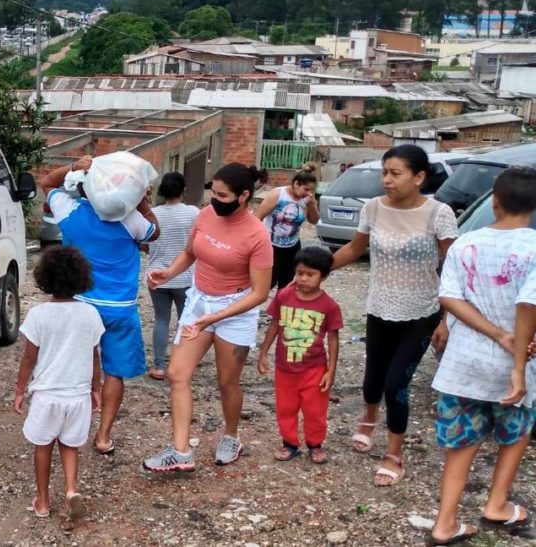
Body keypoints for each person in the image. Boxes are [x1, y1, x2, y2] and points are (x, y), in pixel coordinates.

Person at [331, 145, 459, 487]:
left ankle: (393, 453)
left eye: (395, 173)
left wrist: (447, 320)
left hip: (422, 311)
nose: (387, 180)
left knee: (395, 384)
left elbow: (453, 268)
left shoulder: (439, 213)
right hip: (379, 306)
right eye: (384, 172)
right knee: (372, 379)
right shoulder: (373, 208)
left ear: (419, 177)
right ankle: (369, 418)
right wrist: (315, 270)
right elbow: (355, 249)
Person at [426, 167, 536, 545]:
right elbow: (528, 304)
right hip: (513, 368)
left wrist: (495, 333)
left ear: (494, 201)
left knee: (461, 442)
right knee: (516, 432)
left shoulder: (466, 243)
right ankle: (497, 505)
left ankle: (445, 523)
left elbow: (449, 297)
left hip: (464, 364)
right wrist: (518, 358)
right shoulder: (535, 247)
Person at [143, 163, 273, 472]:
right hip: (200, 301)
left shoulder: (257, 236)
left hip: (236, 310)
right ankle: (180, 451)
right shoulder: (204, 215)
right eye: (212, 193)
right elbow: (190, 252)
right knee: (176, 373)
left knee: (227, 383)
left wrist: (218, 316)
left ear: (243, 196)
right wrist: (168, 272)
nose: (214, 200)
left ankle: (231, 436)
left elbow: (259, 293)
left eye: (222, 195)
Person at [40, 154, 160, 456]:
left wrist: (73, 167)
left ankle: (67, 432)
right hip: (120, 309)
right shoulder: (130, 219)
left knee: (76, 370)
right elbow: (154, 232)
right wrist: (140, 201)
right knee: (114, 373)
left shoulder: (69, 212)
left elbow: (47, 183)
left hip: (79, 306)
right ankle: (103, 436)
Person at [13, 246, 104, 521]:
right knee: (70, 445)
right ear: (81, 278)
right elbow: (95, 356)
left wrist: (19, 390)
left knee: (43, 446)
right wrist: (95, 389)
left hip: (47, 395)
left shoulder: (39, 315)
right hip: (77, 395)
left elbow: (29, 358)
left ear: (45, 279)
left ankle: (42, 501)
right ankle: (71, 490)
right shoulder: (90, 314)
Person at [257, 247, 343, 464]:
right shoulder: (284, 296)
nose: (303, 278)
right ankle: (290, 444)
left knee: (315, 410)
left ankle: (315, 444)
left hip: (314, 369)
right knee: (285, 408)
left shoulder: (329, 305)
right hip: (284, 368)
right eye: (300, 273)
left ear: (323, 276)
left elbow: (333, 338)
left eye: (310, 274)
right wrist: (264, 353)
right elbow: (275, 324)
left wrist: (331, 371)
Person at [145, 172, 201, 380]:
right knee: (184, 321)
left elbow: (144, 241)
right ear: (183, 190)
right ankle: (180, 364)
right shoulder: (194, 213)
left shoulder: (151, 213)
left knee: (160, 319)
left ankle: (159, 366)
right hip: (185, 276)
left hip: (156, 276)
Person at [255, 164, 319, 289]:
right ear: (296, 184)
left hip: (292, 245)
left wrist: (312, 205)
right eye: (306, 189)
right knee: (269, 281)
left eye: (311, 190)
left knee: (286, 283)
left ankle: (279, 308)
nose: (308, 193)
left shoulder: (307, 199)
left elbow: (314, 220)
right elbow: (258, 217)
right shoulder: (278, 194)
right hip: (271, 244)